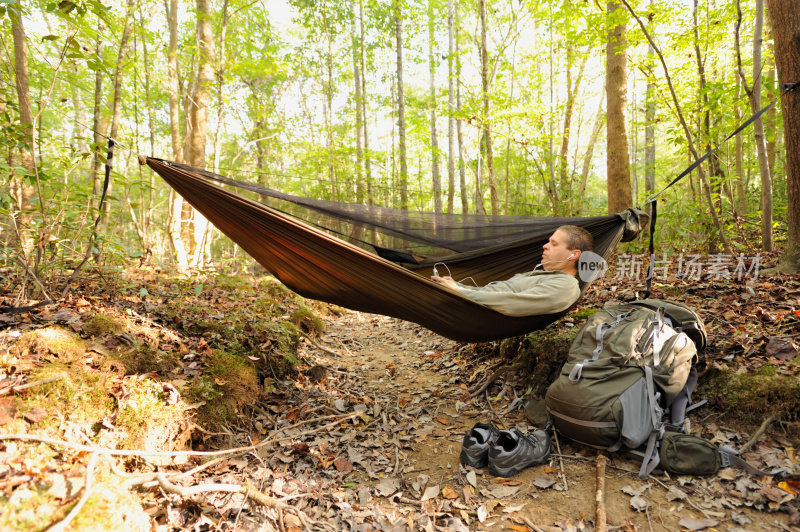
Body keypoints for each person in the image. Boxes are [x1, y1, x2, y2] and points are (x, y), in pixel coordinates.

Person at [431, 225, 593, 317]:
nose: (545, 246)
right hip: (467, 303)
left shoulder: (567, 285)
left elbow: (511, 302)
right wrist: (457, 287)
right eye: (547, 242)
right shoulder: (545, 275)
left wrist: (459, 291)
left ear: (574, 254)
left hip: (473, 314)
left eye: (554, 243)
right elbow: (492, 294)